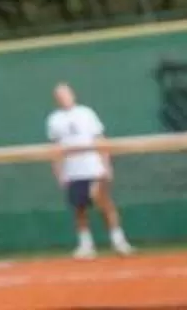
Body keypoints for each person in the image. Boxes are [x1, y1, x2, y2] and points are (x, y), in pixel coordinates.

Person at [48, 82, 134, 258]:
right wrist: (59, 173)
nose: (64, 98)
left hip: (94, 168)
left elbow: (100, 138)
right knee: (79, 208)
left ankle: (119, 242)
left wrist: (106, 164)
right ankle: (86, 245)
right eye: (59, 96)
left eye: (66, 94)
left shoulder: (86, 113)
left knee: (103, 202)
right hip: (73, 172)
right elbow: (55, 149)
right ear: (56, 99)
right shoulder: (54, 119)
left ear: (73, 94)